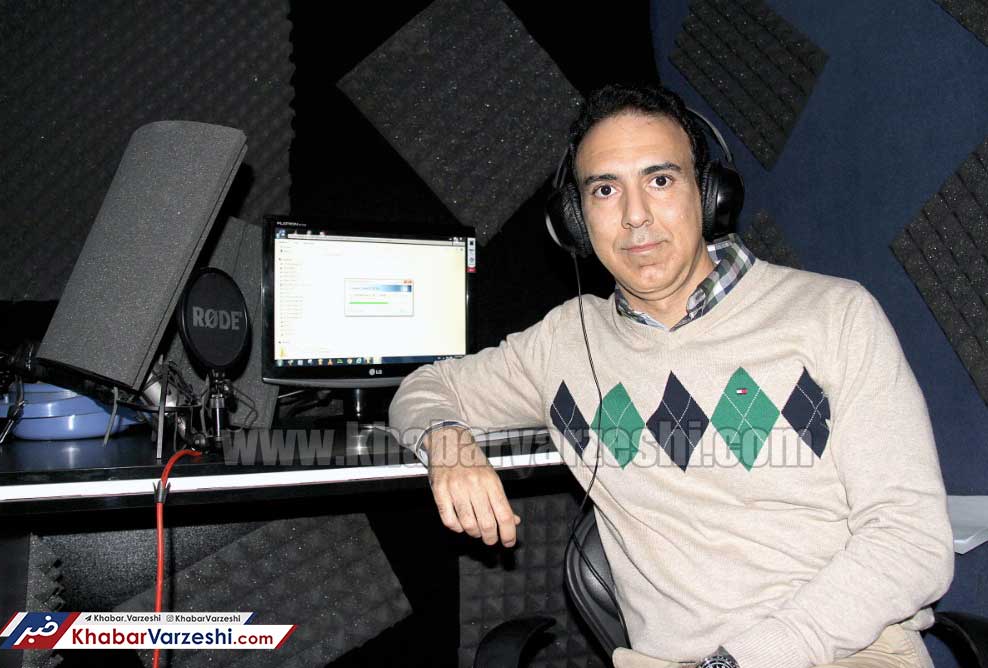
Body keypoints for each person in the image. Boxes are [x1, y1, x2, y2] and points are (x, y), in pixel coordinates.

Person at [388, 83, 953, 668]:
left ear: (709, 196)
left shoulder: (834, 315)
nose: (635, 216)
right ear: (575, 220)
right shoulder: (562, 342)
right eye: (605, 190)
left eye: (660, 180)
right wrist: (447, 443)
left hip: (850, 649)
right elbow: (423, 389)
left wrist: (742, 659)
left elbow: (912, 542)